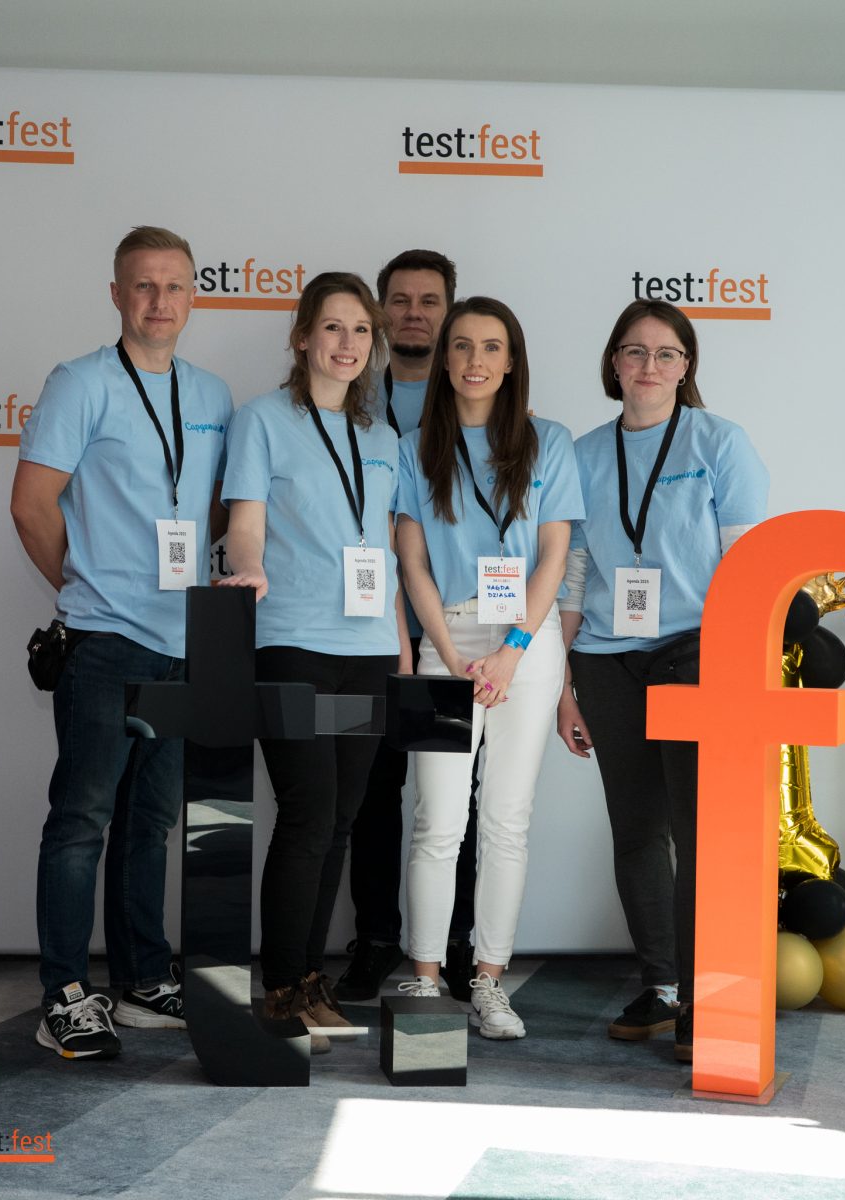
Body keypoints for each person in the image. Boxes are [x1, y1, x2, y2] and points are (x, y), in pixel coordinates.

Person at [11, 226, 232, 1059]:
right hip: (103, 642)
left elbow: (218, 510)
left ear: (193, 296)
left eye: (173, 286)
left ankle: (141, 979)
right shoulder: (80, 383)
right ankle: (66, 995)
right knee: (81, 820)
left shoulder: (212, 395)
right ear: (115, 294)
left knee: (150, 823)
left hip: (185, 644)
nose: (159, 301)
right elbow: (31, 504)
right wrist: (86, 588)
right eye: (143, 285)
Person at [555, 299, 769, 1062]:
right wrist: (564, 685)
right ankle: (663, 988)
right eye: (635, 351)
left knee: (699, 831)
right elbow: (572, 574)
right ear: (613, 363)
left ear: (686, 367)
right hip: (606, 660)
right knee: (637, 829)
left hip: (694, 653)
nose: (649, 365)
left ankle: (706, 999)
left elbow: (746, 565)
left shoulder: (719, 442)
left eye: (666, 353)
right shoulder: (581, 453)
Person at [219, 271, 409, 1050]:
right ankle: (281, 988)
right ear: (302, 337)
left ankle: (308, 980)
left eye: (361, 330)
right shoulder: (262, 420)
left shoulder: (385, 438)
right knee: (306, 814)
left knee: (339, 820)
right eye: (332, 327)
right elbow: (246, 523)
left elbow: (388, 549)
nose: (347, 343)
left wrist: (400, 647)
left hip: (367, 652)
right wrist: (249, 570)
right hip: (292, 641)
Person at [395, 296, 584, 1039]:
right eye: (463, 346)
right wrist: (448, 653)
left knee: (506, 819)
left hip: (526, 646)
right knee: (437, 821)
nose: (476, 361)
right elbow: (412, 562)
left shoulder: (549, 442)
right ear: (445, 359)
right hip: (445, 638)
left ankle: (489, 981)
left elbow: (554, 558)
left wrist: (511, 653)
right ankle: (423, 978)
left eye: (492, 347)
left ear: (511, 362)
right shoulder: (414, 446)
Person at [336, 249, 480, 1005]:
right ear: (380, 312)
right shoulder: (348, 400)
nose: (414, 314)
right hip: (365, 630)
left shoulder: (479, 403)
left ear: (450, 313)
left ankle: (453, 942)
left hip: (454, 633)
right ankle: (376, 938)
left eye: (430, 301)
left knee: (455, 800)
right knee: (371, 791)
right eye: (400, 300)